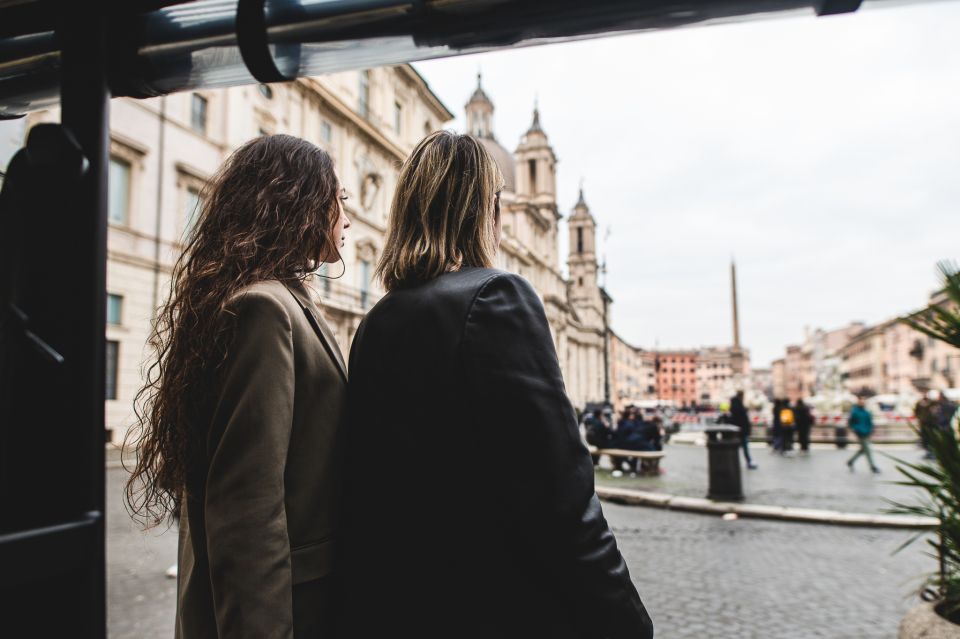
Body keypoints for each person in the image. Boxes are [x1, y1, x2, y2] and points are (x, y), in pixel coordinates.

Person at [338, 131, 652, 639]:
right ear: (488, 211)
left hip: (399, 608)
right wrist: (627, 621)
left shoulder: (378, 321)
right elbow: (562, 496)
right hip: (494, 609)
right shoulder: (495, 296)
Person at [124, 134, 351, 638]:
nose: (346, 216)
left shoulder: (283, 298)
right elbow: (248, 504)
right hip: (286, 610)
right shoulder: (265, 309)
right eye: (340, 198)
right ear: (301, 201)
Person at [846, 396, 880, 473]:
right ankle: (872, 466)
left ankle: (851, 461)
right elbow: (851, 423)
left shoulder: (866, 411)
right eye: (861, 401)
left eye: (863, 401)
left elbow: (870, 421)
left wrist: (871, 430)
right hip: (861, 433)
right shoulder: (855, 411)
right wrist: (856, 429)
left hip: (867, 432)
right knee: (867, 449)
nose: (862, 402)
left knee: (863, 450)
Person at [729, 391, 757, 469]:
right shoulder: (739, 406)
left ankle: (734, 463)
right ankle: (748, 462)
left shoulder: (735, 405)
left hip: (738, 431)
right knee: (744, 447)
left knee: (738, 447)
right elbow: (742, 419)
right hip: (741, 431)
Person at [914, 390, 938, 459]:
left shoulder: (932, 403)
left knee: (931, 438)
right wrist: (920, 418)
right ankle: (928, 452)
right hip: (923, 423)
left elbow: (936, 410)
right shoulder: (919, 403)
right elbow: (916, 411)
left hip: (931, 423)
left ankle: (932, 452)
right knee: (925, 438)